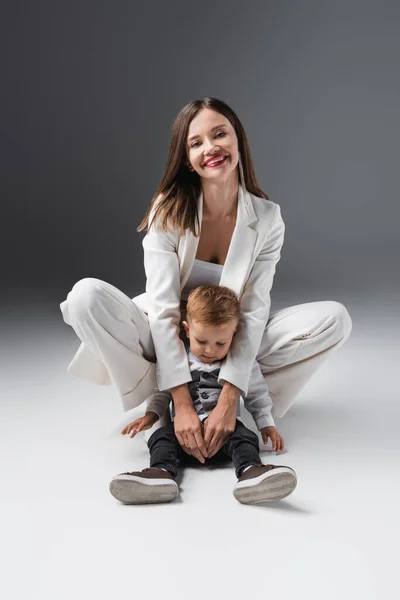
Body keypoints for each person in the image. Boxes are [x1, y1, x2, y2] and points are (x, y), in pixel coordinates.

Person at [60, 97, 352, 474]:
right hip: (164, 335)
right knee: (84, 297)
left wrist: (230, 397)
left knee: (336, 319)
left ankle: (234, 390)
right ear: (185, 158)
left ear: (237, 140)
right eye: (196, 142)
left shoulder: (267, 218)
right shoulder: (167, 208)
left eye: (219, 134)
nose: (210, 147)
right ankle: (162, 395)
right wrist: (180, 402)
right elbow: (164, 310)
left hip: (226, 339)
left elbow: (253, 309)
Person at [109, 285, 297, 505]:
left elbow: (257, 395)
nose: (210, 350)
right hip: (184, 436)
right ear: (187, 330)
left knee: (245, 437)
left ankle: (250, 471)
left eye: (220, 343)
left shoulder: (241, 365)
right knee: (161, 437)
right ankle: (161, 473)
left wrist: (266, 424)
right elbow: (162, 393)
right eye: (201, 341)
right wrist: (150, 416)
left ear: (234, 335)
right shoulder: (177, 361)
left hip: (223, 436)